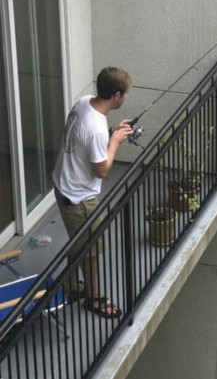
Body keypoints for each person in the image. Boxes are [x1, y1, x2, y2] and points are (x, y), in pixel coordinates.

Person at [53, 66, 134, 318]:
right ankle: (94, 299)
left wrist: (110, 134)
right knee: (91, 250)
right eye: (126, 94)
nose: (126, 98)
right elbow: (102, 170)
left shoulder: (84, 103)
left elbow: (86, 142)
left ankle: (70, 286)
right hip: (79, 198)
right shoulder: (97, 129)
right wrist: (114, 142)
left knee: (79, 242)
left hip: (62, 185)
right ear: (117, 95)